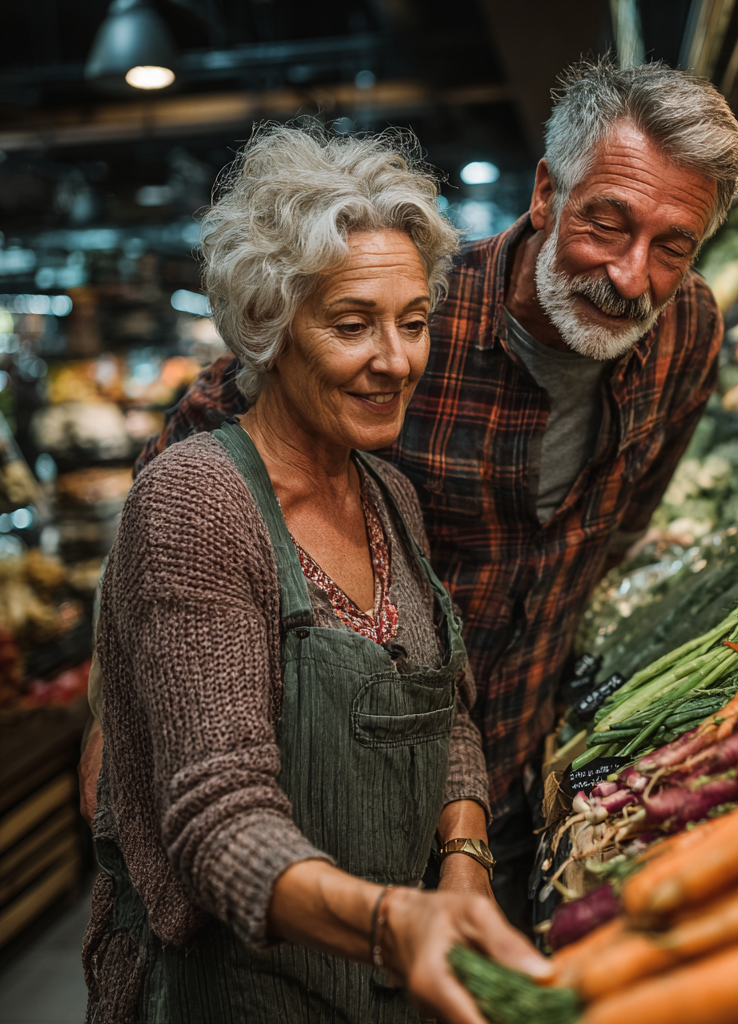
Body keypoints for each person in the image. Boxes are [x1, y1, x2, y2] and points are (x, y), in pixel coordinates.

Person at [88, 56, 738, 928]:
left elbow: (622, 528)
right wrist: (119, 702)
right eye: (607, 223)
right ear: (546, 194)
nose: (631, 277)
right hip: (316, 803)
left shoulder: (687, 333)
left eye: (673, 247)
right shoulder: (411, 305)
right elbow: (186, 478)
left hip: (494, 785)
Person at [82, 125, 549, 1024]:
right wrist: (392, 923)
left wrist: (464, 863)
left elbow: (444, 712)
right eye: (352, 325)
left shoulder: (389, 496)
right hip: (232, 995)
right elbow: (218, 819)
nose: (396, 360)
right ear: (269, 326)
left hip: (379, 982)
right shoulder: (197, 505)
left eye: (413, 323)